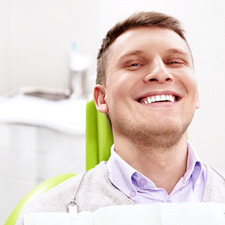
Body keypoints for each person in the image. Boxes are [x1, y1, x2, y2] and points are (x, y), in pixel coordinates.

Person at [16, 11, 225, 225]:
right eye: (135, 64)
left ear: (196, 94)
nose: (160, 72)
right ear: (101, 98)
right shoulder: (45, 215)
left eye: (174, 61)